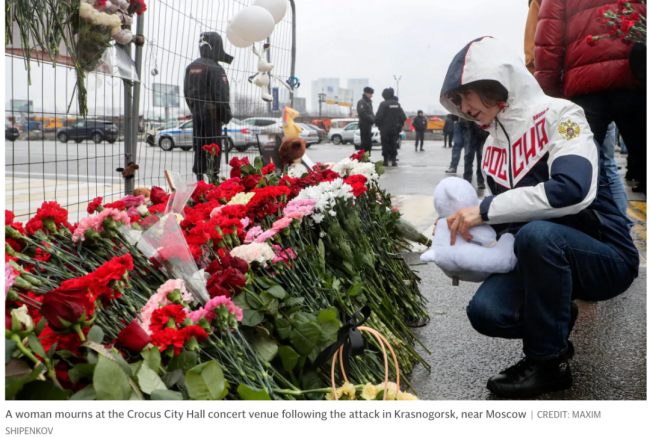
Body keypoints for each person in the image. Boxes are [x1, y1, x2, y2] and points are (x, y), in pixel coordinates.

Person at [439, 37, 639, 398]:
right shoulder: (491, 147)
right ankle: (555, 322)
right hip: (542, 257)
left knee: (537, 235)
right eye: (455, 98)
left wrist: (484, 210)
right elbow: (505, 224)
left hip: (605, 255)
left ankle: (549, 363)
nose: (462, 106)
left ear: (496, 82)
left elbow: (571, 189)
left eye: (465, 93)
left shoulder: (563, 116)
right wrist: (459, 246)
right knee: (486, 313)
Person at [534, 0, 647, 193]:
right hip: (635, 79)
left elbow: (548, 46)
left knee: (580, 171)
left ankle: (596, 220)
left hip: (584, 89)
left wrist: (549, 98)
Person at [184, 32, 233, 181]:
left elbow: (187, 93)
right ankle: (213, 178)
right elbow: (221, 96)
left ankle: (199, 178)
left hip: (197, 114)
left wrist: (194, 109)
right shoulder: (216, 68)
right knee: (213, 146)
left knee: (199, 144)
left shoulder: (191, 67)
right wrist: (226, 115)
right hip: (213, 115)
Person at [375, 87, 406, 167]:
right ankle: (393, 160)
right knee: (393, 144)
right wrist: (399, 123)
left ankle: (385, 160)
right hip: (395, 128)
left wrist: (378, 124)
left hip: (385, 128)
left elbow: (379, 116)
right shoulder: (397, 104)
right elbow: (403, 117)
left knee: (385, 144)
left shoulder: (383, 104)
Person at [463, 121, 488, 189]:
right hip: (470, 130)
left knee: (480, 156)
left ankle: (480, 180)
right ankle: (467, 179)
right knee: (469, 156)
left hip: (482, 131)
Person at [357, 86, 375, 156]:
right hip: (364, 124)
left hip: (368, 125)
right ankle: (363, 158)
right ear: (366, 93)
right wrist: (371, 119)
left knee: (368, 143)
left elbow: (371, 113)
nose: (371, 96)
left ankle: (367, 157)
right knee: (364, 142)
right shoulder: (362, 102)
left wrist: (374, 119)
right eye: (370, 94)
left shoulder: (368, 102)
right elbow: (362, 113)